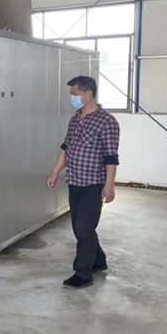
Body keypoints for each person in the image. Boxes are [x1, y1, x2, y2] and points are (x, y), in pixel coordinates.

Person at [47, 75, 120, 289]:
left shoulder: (107, 121)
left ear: (88, 94)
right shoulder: (75, 119)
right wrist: (55, 172)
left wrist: (109, 185)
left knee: (84, 229)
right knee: (80, 227)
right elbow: (66, 147)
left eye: (75, 94)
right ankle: (98, 260)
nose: (73, 98)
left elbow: (111, 157)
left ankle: (83, 273)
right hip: (75, 181)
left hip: (93, 184)